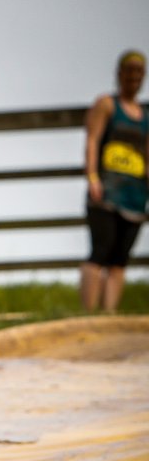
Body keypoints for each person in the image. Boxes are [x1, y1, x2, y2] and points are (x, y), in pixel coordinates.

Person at [82, 50, 147, 312]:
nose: (133, 77)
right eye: (129, 71)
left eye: (138, 72)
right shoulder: (107, 105)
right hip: (107, 190)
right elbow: (92, 140)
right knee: (100, 251)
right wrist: (93, 177)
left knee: (120, 259)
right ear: (119, 74)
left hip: (135, 193)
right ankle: (88, 315)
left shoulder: (145, 116)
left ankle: (110, 316)